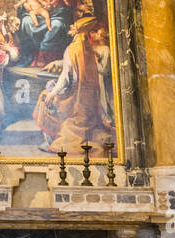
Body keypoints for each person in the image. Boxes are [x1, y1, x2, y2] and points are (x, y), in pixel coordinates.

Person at [33, 16, 114, 153]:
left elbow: (66, 78)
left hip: (76, 101)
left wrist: (53, 93)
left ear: (77, 30)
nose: (71, 27)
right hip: (90, 101)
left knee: (44, 97)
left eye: (74, 26)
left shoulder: (72, 49)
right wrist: (56, 64)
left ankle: (53, 139)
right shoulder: (88, 48)